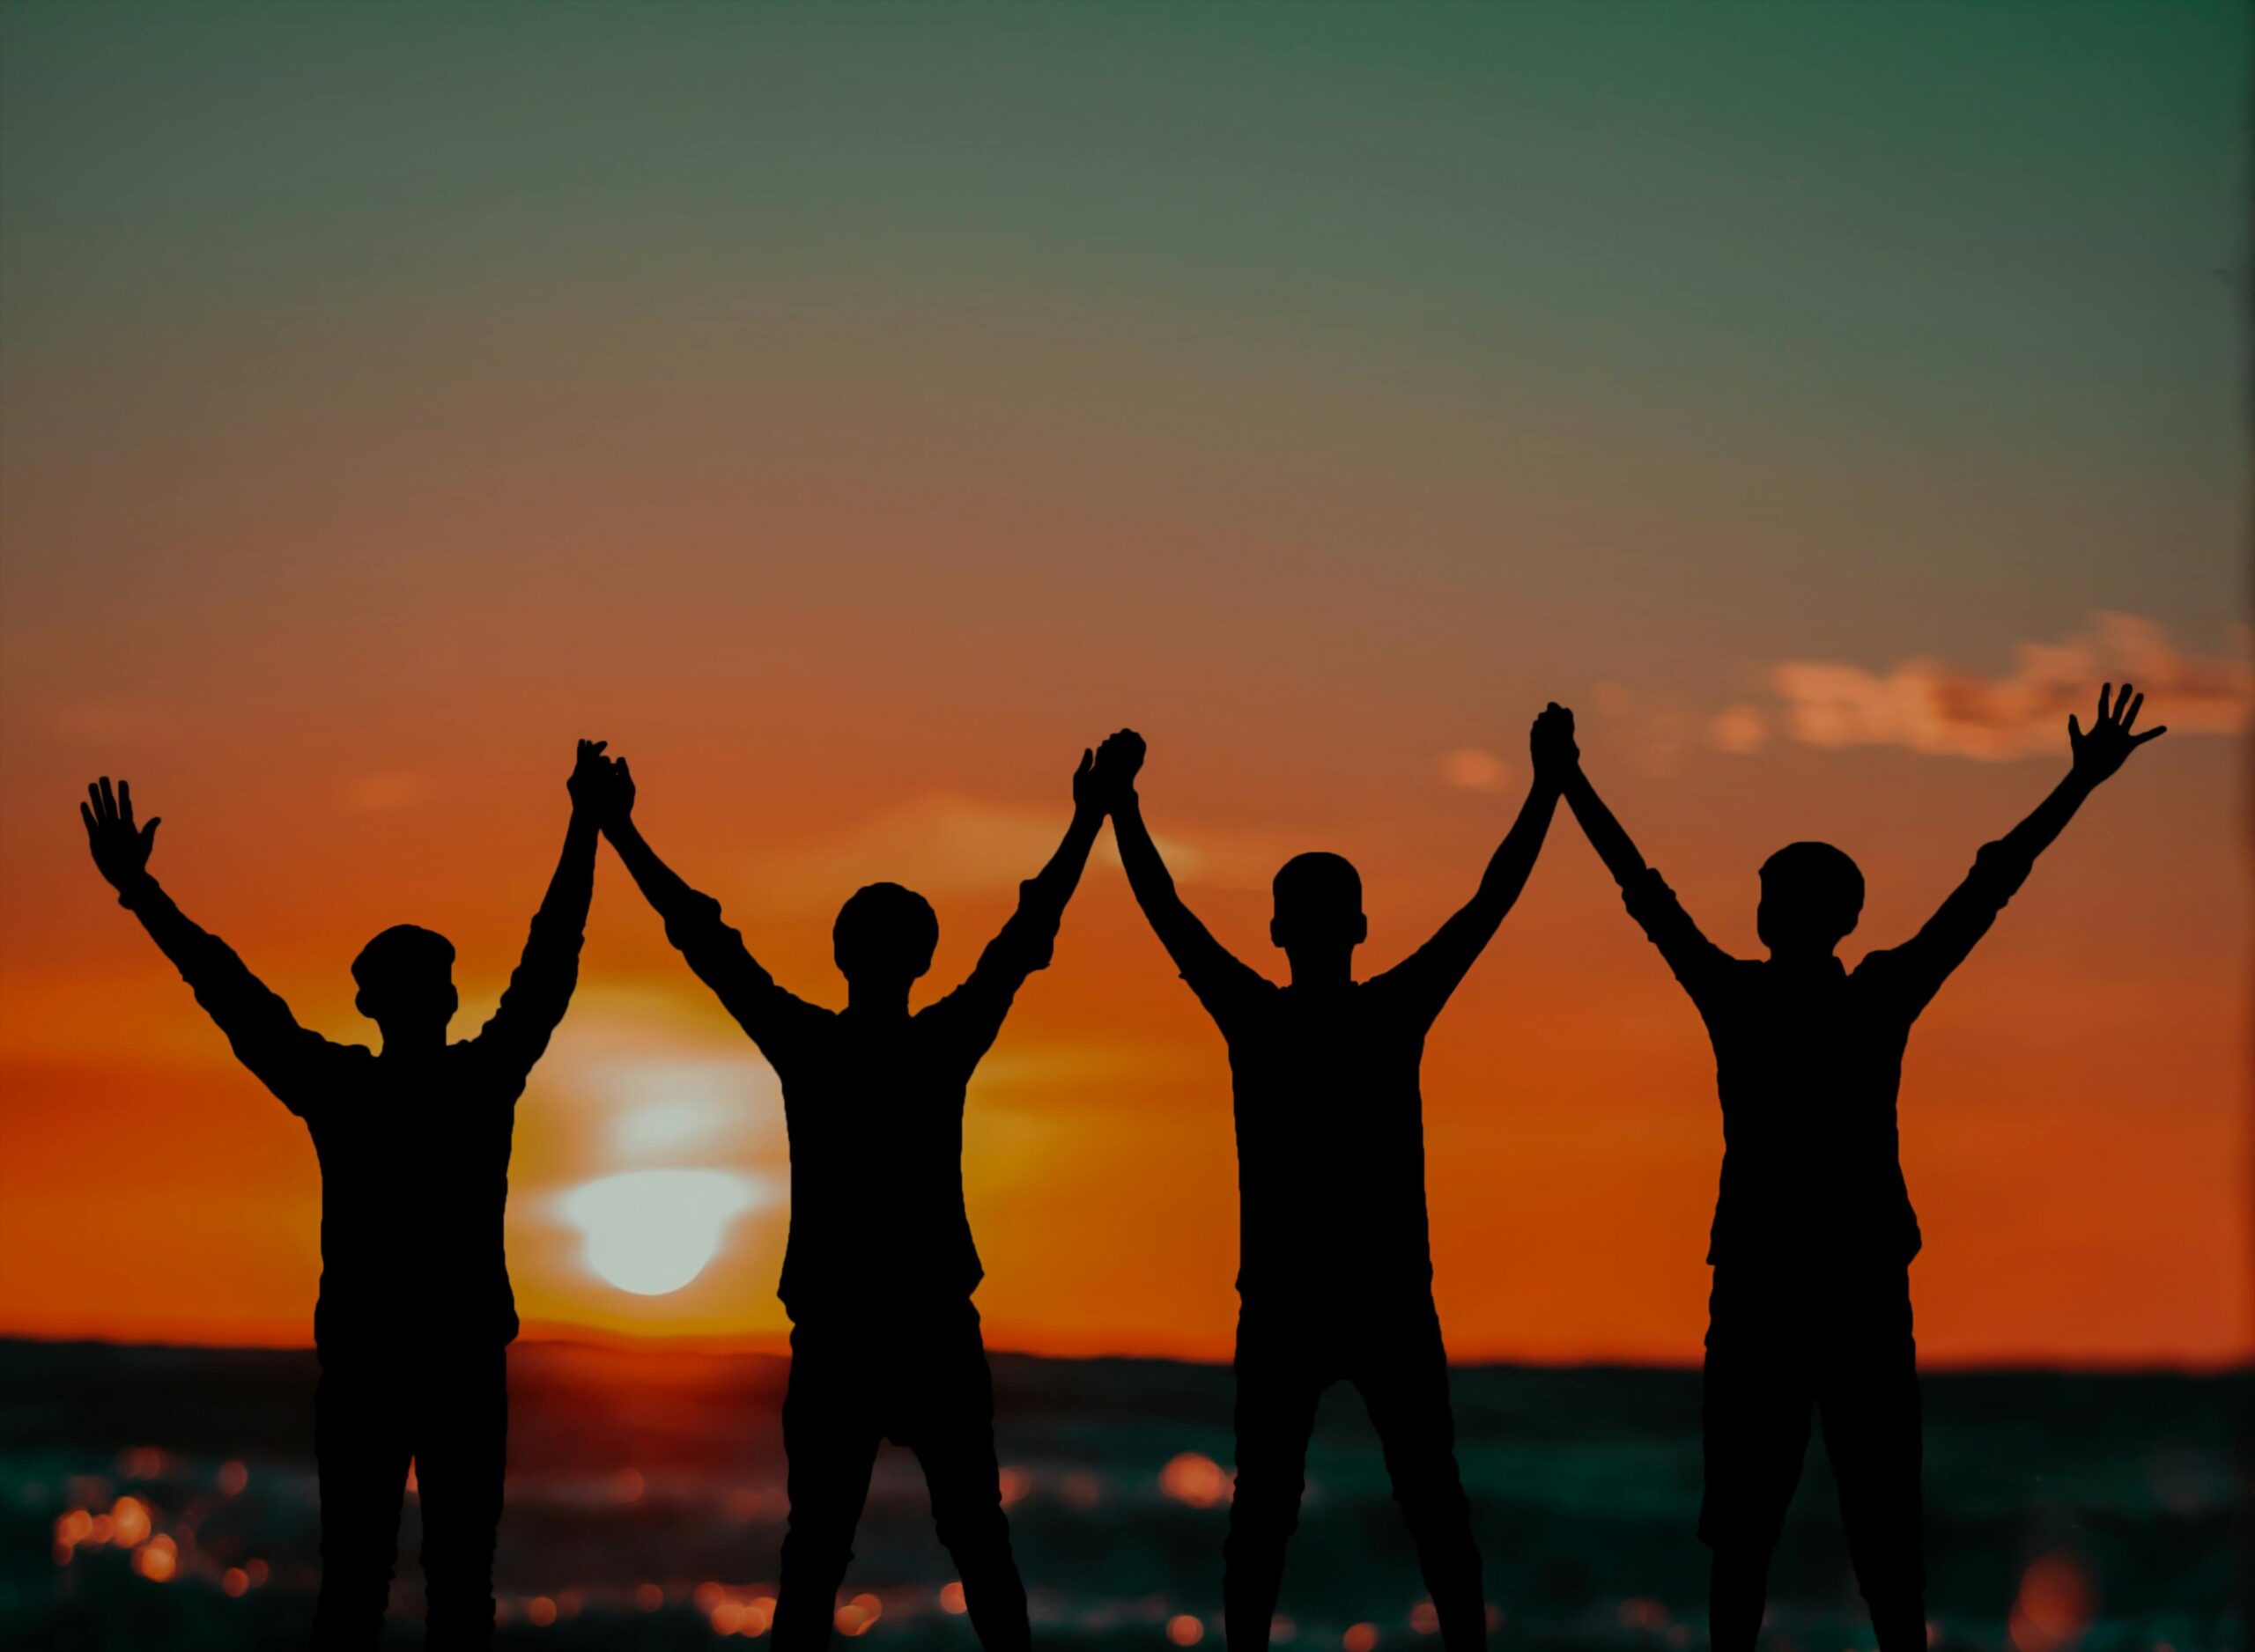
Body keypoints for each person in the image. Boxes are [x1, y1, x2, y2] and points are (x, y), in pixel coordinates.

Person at [1549, 683, 2167, 1652]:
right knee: (1860, 1522)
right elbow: (1988, 885)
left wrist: (1571, 782)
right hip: (1845, 1281)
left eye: (1769, 897)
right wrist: (2076, 782)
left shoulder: (1750, 997)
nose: (1759, 911)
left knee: (1762, 1527)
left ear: (1801, 913)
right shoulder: (1867, 995)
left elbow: (1645, 893)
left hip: (1775, 1281)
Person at [79, 742, 617, 1650]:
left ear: (370, 1004)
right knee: (452, 1591)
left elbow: (230, 991)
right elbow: (549, 959)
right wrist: (583, 826)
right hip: (440, 1369)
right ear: (444, 998)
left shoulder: (349, 1088)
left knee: (362, 1590)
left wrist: (142, 894)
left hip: (390, 1368)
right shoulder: (472, 1081)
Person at [596, 744, 1109, 1652]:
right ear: (920, 957)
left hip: (848, 1331)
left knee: (818, 1554)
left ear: (841, 953)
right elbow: (1024, 935)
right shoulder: (935, 1042)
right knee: (973, 1545)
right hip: (918, 1325)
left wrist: (621, 830)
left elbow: (706, 939)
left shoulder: (815, 1047)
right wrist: (1088, 816)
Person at [1092, 710, 1575, 1652]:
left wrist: (1123, 809)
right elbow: (1490, 900)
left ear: (1276, 929)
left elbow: (1168, 913)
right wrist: (1546, 788)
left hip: (1298, 1299)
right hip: (1374, 1296)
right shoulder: (1387, 1009)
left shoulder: (1259, 1015)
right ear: (1357, 926)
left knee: (1266, 1512)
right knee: (1427, 1503)